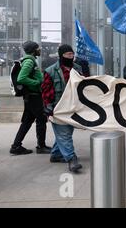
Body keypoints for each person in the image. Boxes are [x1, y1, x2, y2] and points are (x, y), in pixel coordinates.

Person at [42, 44, 83, 173]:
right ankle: (71, 159)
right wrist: (48, 106)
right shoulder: (50, 71)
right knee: (64, 133)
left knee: (66, 132)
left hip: (73, 107)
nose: (71, 57)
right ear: (61, 56)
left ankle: (55, 154)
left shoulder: (77, 68)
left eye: (72, 54)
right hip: (57, 108)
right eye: (68, 55)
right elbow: (45, 90)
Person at [10, 41, 51, 155]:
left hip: (30, 96)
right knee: (41, 119)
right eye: (38, 48)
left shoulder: (29, 60)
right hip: (34, 96)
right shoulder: (29, 61)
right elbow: (21, 78)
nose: (40, 50)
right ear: (33, 50)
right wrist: (38, 82)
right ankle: (41, 147)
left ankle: (16, 146)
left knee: (27, 121)